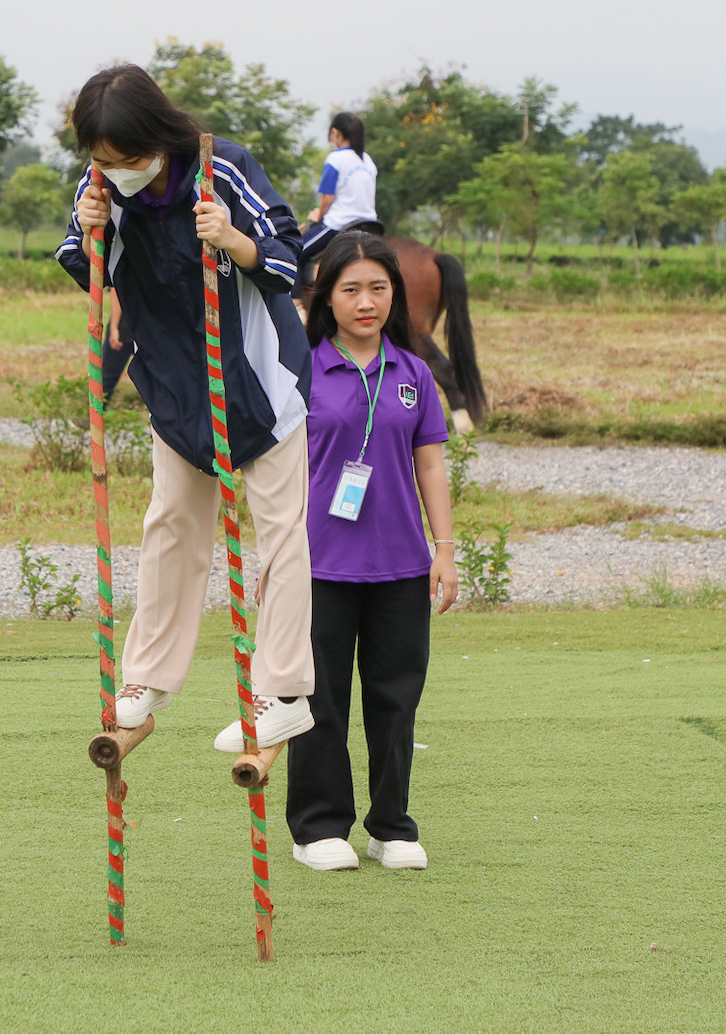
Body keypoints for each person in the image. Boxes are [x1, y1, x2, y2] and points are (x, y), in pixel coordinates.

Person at [56, 63, 317, 750]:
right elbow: (85, 269)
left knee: (282, 529)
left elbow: (293, 256)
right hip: (175, 383)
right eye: (102, 162)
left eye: (129, 160)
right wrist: (90, 229)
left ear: (158, 137)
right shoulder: (102, 184)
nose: (117, 173)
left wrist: (232, 239)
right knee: (170, 523)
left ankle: (284, 689)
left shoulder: (221, 168)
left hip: (258, 378)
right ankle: (146, 679)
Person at [285, 230, 455, 872]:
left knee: (395, 699)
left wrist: (445, 549)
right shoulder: (298, 372)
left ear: (395, 296)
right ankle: (319, 829)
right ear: (326, 298)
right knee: (319, 698)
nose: (366, 301)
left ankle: (391, 826)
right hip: (318, 564)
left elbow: (431, 466)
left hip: (402, 565)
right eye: (350, 288)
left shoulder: (413, 373)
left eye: (378, 289)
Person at [298, 112, 383, 283]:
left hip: (340, 224)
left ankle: (298, 304)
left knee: (296, 251)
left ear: (336, 133)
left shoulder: (335, 159)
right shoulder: (367, 160)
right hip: (371, 224)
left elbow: (327, 199)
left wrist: (318, 218)